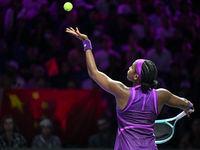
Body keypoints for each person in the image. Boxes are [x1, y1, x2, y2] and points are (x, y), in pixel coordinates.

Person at [66, 27, 194, 150]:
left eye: (132, 67)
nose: (129, 68)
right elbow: (184, 103)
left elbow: (93, 72)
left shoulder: (123, 92)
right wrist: (187, 106)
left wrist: (86, 42)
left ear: (137, 76)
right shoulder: (162, 95)